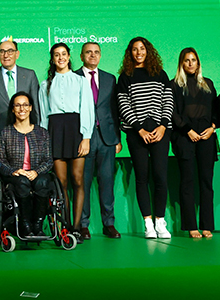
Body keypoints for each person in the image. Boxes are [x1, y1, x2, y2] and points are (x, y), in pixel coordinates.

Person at [117, 37, 174, 239]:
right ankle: (147, 223)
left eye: (142, 49)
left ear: (148, 51)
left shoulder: (160, 74)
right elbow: (123, 105)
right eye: (134, 49)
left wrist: (163, 126)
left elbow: (168, 100)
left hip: (160, 130)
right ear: (130, 53)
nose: (139, 52)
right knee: (142, 178)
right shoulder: (125, 76)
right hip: (136, 133)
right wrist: (139, 129)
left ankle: (160, 221)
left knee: (160, 176)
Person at [39, 42, 94, 242]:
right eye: (56, 55)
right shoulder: (45, 85)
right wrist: (44, 141)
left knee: (77, 180)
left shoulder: (80, 81)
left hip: (76, 131)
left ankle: (78, 227)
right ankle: (66, 226)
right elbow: (44, 115)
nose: (61, 58)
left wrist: (86, 137)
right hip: (54, 132)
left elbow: (88, 109)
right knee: (61, 183)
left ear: (69, 57)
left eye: (64, 54)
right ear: (52, 59)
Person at [75, 42, 123, 240]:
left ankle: (109, 223)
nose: (92, 56)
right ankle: (83, 225)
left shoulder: (110, 78)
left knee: (107, 181)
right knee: (83, 182)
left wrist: (118, 138)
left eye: (96, 53)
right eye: (88, 52)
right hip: (83, 137)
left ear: (100, 56)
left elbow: (115, 110)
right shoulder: (73, 77)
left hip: (107, 137)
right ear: (81, 56)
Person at [171, 48, 219, 239]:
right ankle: (191, 226)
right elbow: (173, 113)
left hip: (207, 138)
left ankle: (207, 225)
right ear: (181, 64)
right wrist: (187, 130)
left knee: (206, 183)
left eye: (193, 60)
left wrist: (213, 127)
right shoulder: (174, 85)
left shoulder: (208, 84)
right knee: (187, 183)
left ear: (198, 63)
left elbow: (217, 109)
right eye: (186, 60)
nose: (190, 63)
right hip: (185, 138)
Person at [0, 40, 40, 183]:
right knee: (1, 178)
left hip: (26, 137)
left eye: (10, 51)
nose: (6, 55)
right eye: (2, 51)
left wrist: (37, 135)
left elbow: (36, 109)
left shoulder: (30, 75)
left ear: (17, 54)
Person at [0, 92, 53, 237]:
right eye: (18, 105)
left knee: (43, 182)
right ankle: (25, 224)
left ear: (31, 108)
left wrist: (37, 171)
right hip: (16, 176)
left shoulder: (42, 133)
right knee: (22, 182)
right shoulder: (6, 133)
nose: (22, 108)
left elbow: (48, 160)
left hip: (37, 174)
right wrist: (14, 171)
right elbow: (0, 161)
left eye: (25, 105)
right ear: (13, 109)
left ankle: (38, 225)